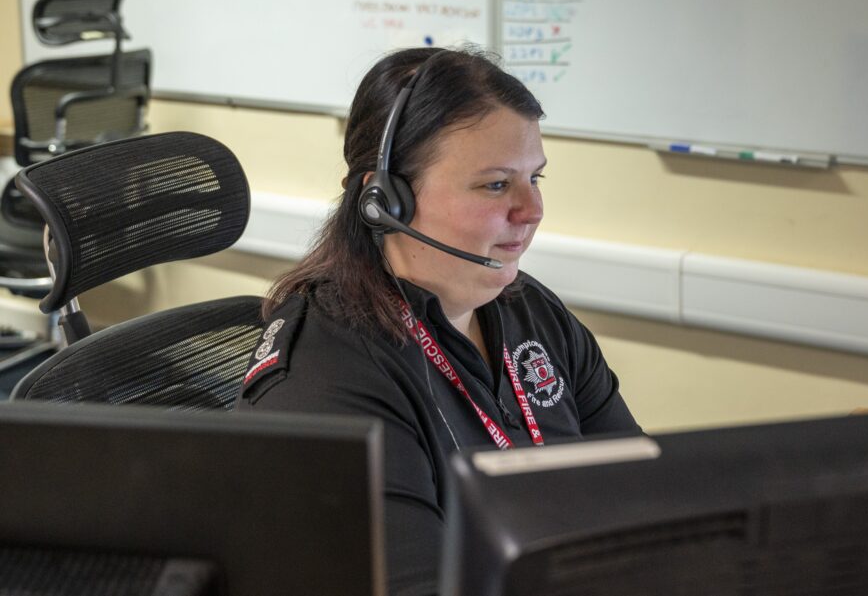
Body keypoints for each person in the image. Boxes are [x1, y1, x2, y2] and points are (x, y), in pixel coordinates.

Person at [235, 46, 641, 595]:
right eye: (496, 184)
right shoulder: (327, 376)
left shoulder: (532, 312)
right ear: (387, 202)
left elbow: (640, 499)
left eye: (535, 179)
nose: (532, 210)